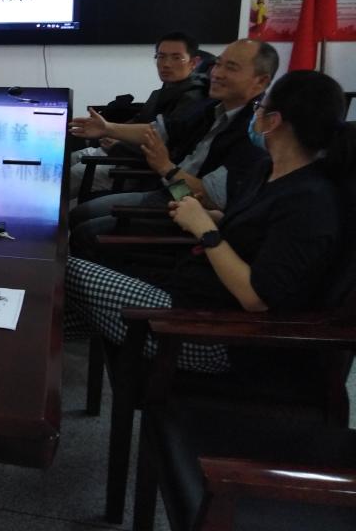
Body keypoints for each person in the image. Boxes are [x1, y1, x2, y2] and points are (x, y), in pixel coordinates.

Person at [65, 69, 354, 372]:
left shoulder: (307, 201)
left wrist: (202, 223)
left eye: (261, 107)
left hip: (215, 331)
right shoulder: (253, 158)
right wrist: (210, 217)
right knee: (53, 308)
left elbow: (256, 298)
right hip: (186, 259)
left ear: (273, 120)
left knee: (61, 268)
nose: (216, 73)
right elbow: (236, 219)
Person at [67, 39, 277, 263]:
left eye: (231, 68)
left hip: (190, 213)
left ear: (261, 81)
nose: (217, 73)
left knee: (85, 233)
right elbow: (160, 131)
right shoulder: (212, 107)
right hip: (171, 191)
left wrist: (166, 168)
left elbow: (209, 200)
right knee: (78, 214)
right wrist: (108, 128)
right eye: (218, 64)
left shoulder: (255, 133)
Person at [69, 31, 207, 197]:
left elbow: (164, 148)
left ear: (194, 62)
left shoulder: (194, 99)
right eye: (161, 57)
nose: (166, 64)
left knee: (72, 175)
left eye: (176, 58)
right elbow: (139, 122)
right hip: (123, 155)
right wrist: (113, 134)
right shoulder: (162, 92)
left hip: (142, 172)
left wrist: (117, 144)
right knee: (67, 160)